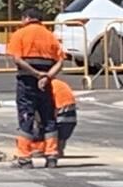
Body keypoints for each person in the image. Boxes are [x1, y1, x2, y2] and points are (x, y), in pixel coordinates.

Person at [5, 11, 65, 168]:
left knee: (26, 117)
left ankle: (24, 157)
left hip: (27, 82)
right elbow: (60, 61)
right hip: (45, 84)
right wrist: (47, 77)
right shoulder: (50, 36)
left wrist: (36, 74)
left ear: (26, 18)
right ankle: (52, 156)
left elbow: (17, 59)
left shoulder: (19, 34)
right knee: (48, 118)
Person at [50, 72, 77, 157]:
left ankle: (49, 149)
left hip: (59, 118)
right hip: (71, 118)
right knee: (62, 136)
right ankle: (59, 149)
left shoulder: (47, 86)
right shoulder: (61, 83)